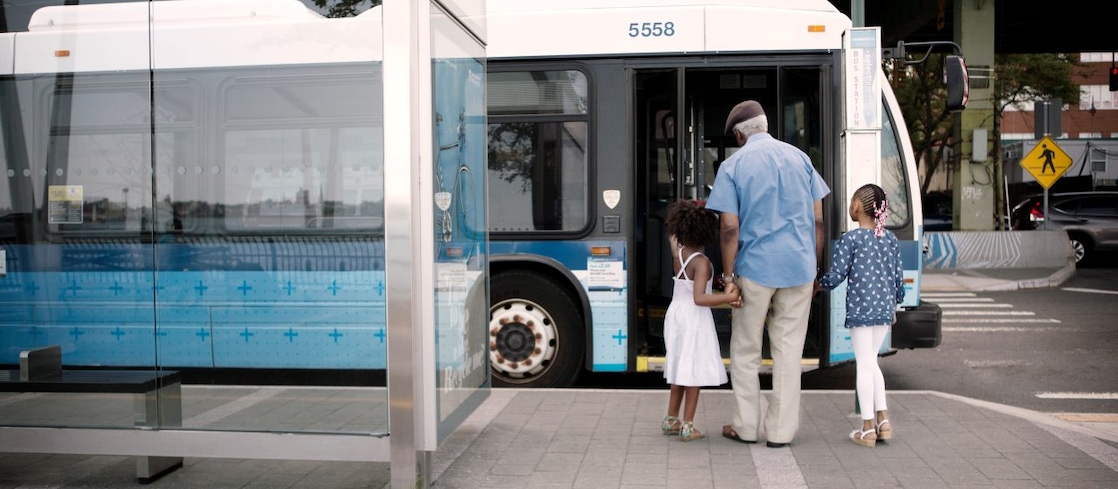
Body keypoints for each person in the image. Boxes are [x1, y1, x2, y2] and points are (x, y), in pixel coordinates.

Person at [705, 100, 829, 448]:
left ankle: (746, 428)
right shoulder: (800, 159)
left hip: (754, 270)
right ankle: (780, 433)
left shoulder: (732, 166)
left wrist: (729, 278)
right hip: (800, 268)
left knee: (745, 350)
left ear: (740, 136)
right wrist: (814, 267)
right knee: (789, 352)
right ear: (765, 126)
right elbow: (818, 221)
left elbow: (729, 229)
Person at [817, 184, 905, 448]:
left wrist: (818, 284)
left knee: (864, 365)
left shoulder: (851, 239)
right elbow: (898, 278)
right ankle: (884, 421)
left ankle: (867, 428)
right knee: (872, 363)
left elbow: (836, 275)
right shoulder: (890, 239)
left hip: (860, 309)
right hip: (884, 310)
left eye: (852, 199)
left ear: (857, 206)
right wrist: (895, 306)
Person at [660, 199, 738, 442]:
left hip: (676, 315)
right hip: (694, 319)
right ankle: (688, 425)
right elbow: (700, 298)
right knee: (692, 373)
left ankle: (671, 419)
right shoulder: (702, 262)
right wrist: (728, 296)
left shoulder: (680, 255)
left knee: (678, 369)